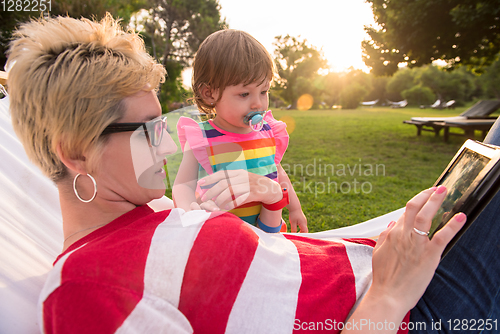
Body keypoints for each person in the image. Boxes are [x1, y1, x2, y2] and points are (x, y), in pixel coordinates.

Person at [6, 15, 499, 334]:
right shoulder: (85, 289)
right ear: (75, 152)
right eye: (149, 129)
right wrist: (391, 293)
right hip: (417, 310)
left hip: (397, 268)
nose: (169, 142)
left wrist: (271, 201)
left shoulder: (146, 213)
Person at [172, 29, 308, 233]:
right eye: (244, 94)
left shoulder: (268, 132)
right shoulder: (202, 138)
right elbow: (183, 185)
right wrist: (189, 211)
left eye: (264, 92)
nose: (257, 103)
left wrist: (295, 208)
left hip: (267, 229)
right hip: (223, 231)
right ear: (209, 93)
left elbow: (278, 174)